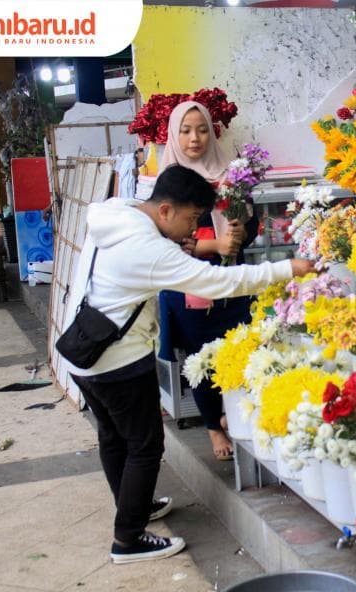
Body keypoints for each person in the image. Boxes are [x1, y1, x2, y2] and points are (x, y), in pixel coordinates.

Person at [65, 165, 315, 564]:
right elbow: (218, 282)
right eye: (192, 218)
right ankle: (128, 540)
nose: (193, 229)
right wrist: (288, 269)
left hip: (83, 349)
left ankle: (133, 507)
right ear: (165, 210)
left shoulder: (117, 212)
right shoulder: (149, 248)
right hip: (118, 360)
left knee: (113, 437)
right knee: (145, 446)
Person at [157, 100, 258, 460]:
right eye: (185, 131)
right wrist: (216, 245)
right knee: (202, 357)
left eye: (202, 130)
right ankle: (214, 427)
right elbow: (169, 240)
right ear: (174, 135)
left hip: (232, 279)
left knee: (239, 349)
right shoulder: (169, 182)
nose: (195, 138)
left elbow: (252, 227)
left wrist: (240, 232)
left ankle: (235, 415)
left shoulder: (231, 175)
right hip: (191, 285)